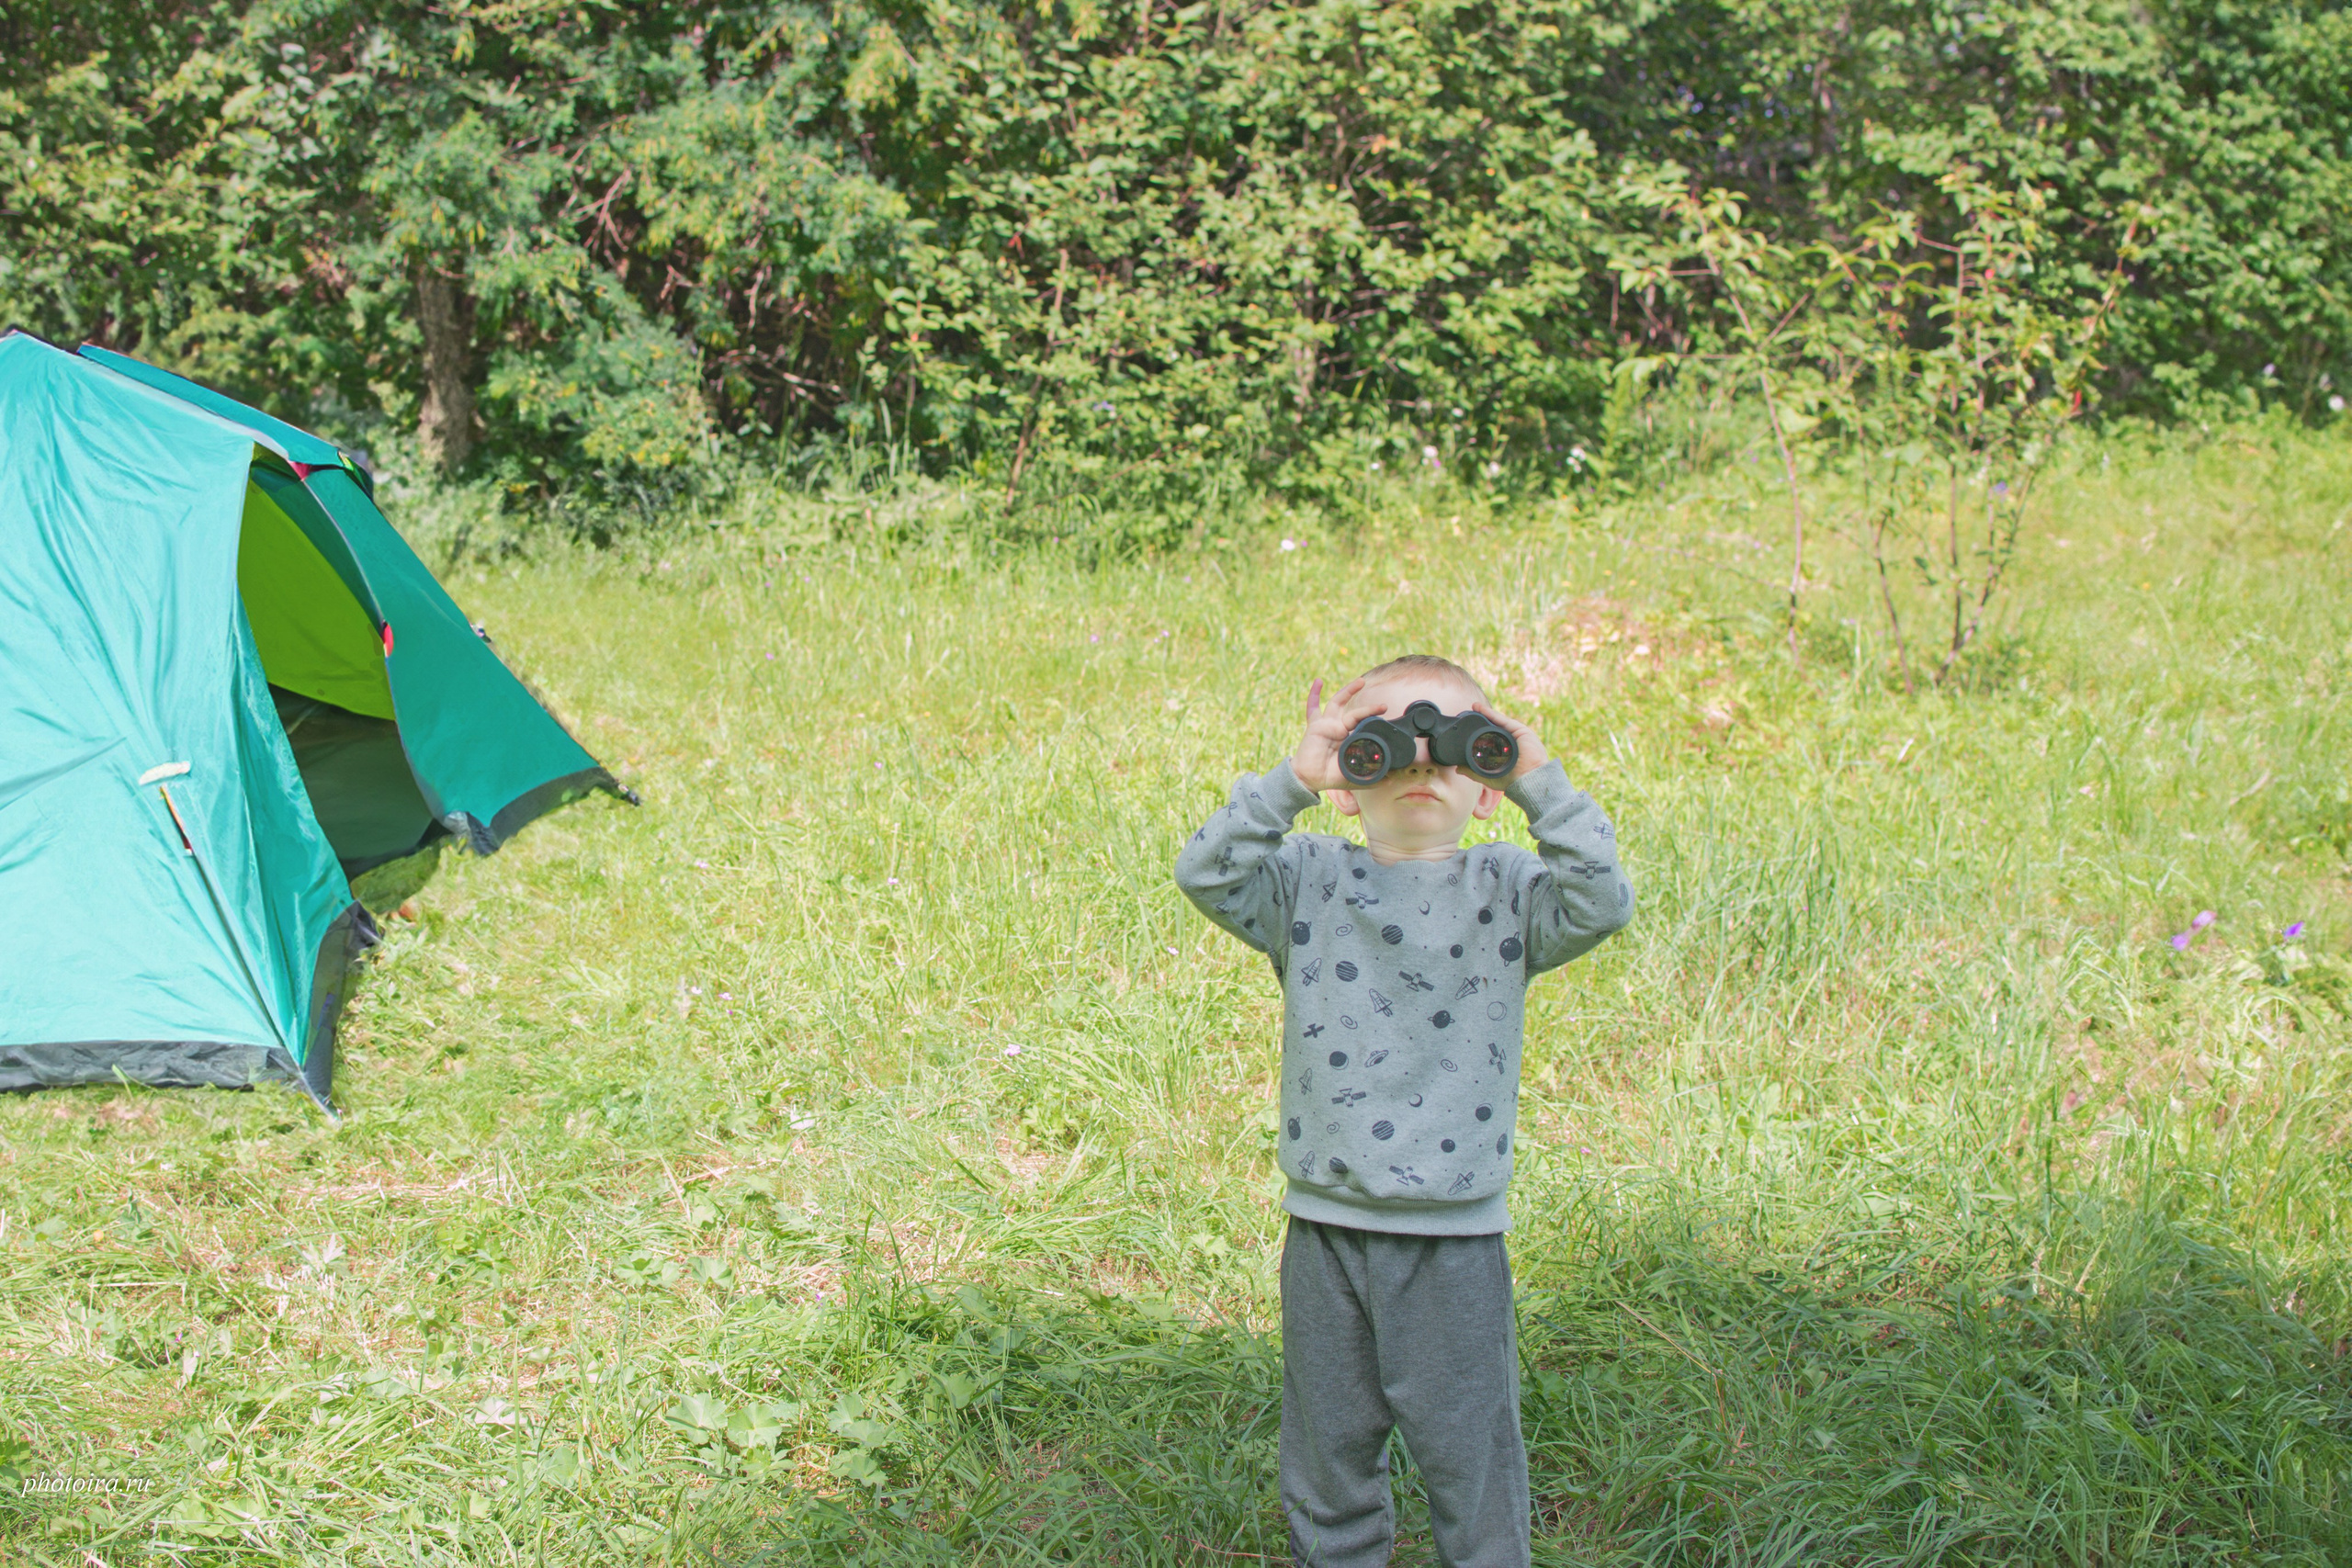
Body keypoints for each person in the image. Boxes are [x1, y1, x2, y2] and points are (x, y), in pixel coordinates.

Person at [1174, 653, 1634, 1568]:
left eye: (1459, 742)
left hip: (1453, 1241)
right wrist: (1294, 777)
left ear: (1488, 788)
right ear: (1352, 782)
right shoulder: (1305, 878)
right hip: (1326, 1232)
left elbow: (1602, 900)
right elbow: (1206, 873)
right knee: (1327, 1454)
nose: (1422, 757)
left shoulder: (1507, 890)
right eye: (1382, 737)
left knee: (1469, 1460)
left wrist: (1537, 777)